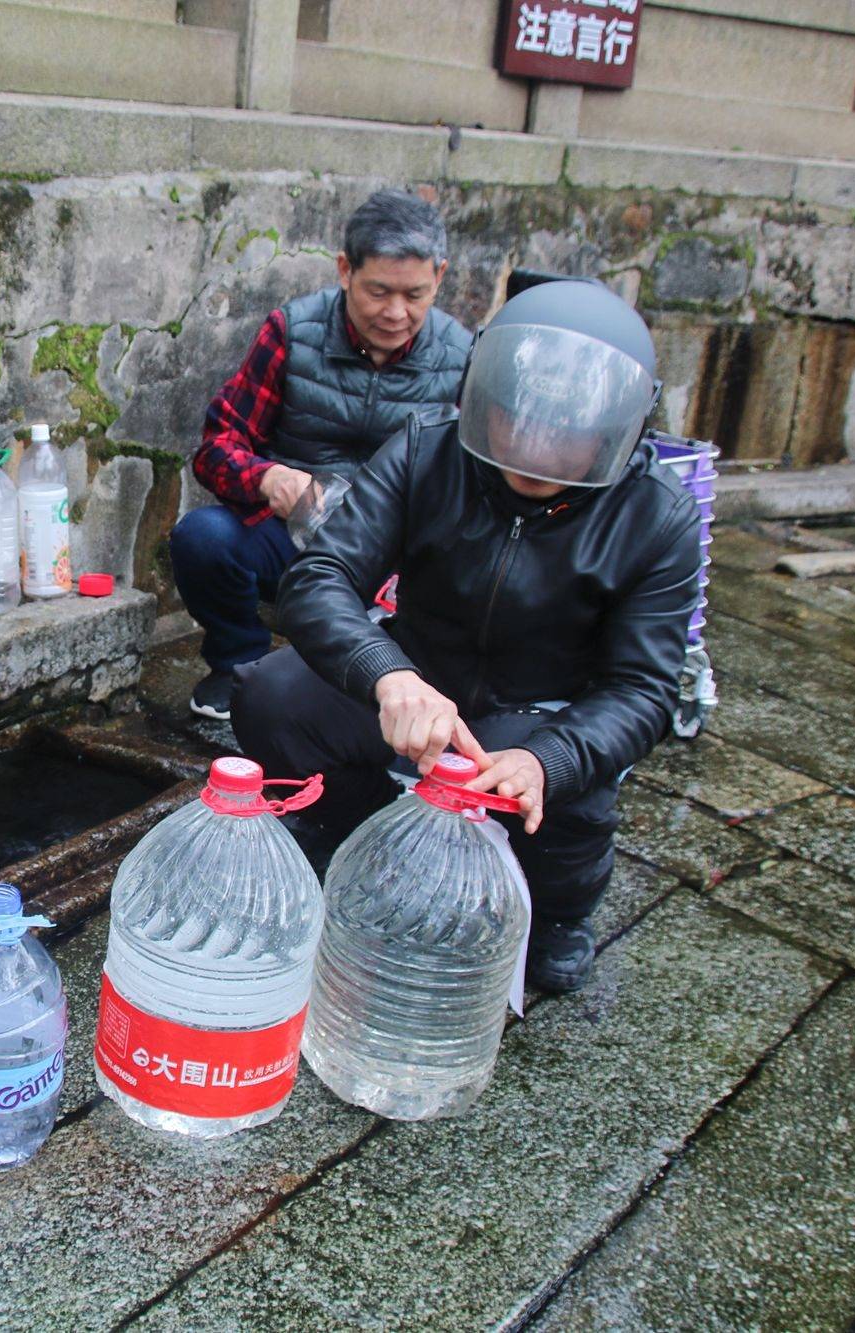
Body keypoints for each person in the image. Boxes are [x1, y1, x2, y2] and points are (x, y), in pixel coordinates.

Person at [231, 280, 702, 994]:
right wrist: (386, 672)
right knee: (272, 694)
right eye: (517, 420)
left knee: (574, 791)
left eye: (567, 433)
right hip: (419, 675)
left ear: (618, 427)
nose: (536, 447)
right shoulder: (427, 449)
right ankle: (348, 831)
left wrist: (549, 758)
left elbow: (642, 688)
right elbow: (321, 576)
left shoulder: (656, 517)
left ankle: (558, 915)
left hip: (536, 710)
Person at [174, 188, 474, 720]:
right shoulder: (293, 331)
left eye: (415, 295)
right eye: (379, 292)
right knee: (202, 539)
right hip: (295, 532)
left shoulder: (463, 358)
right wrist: (267, 479)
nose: (396, 312)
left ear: (440, 278)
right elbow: (217, 446)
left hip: (393, 559)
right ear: (344, 270)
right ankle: (238, 663)